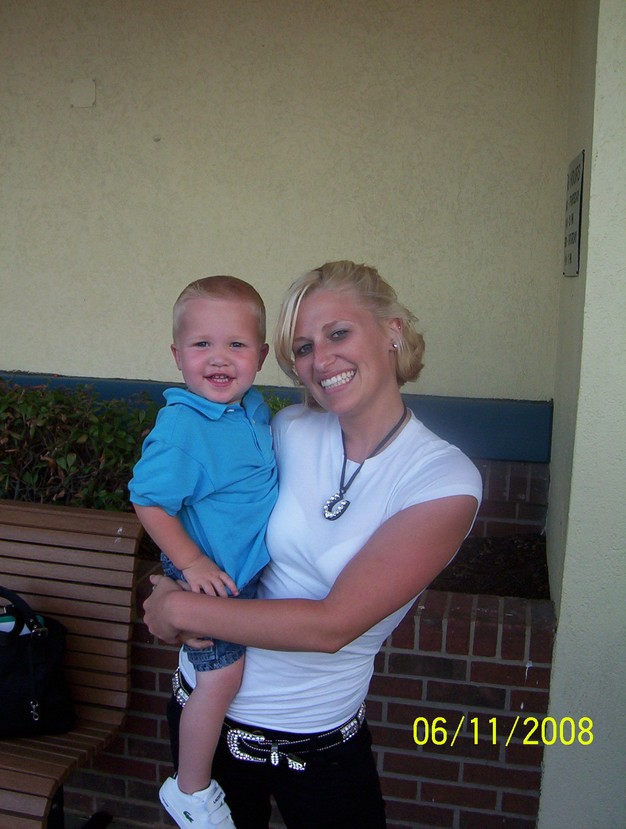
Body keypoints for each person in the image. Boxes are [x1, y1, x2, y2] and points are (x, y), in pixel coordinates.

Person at [143, 260, 483, 829]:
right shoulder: (286, 430)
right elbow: (201, 513)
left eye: (338, 333)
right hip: (206, 718)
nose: (321, 360)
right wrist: (175, 575)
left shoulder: (441, 480)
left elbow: (331, 626)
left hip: (317, 747)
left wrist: (177, 608)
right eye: (303, 347)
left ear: (393, 330)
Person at [129, 276, 278, 829]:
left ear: (261, 355)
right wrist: (190, 566)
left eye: (236, 344)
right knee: (220, 679)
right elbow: (148, 499)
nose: (219, 358)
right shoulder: (184, 426)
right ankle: (190, 790)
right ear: (176, 355)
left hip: (234, 571)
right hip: (210, 575)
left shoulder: (251, 409)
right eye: (201, 344)